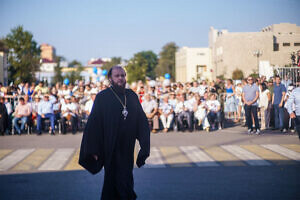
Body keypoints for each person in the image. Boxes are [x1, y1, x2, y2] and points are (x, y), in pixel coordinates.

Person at [79, 66, 150, 200]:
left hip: (127, 147)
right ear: (110, 78)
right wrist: (93, 150)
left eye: (123, 75)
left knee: (126, 177)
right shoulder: (102, 97)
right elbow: (94, 125)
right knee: (114, 178)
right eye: (117, 76)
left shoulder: (131, 96)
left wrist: (144, 145)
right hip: (110, 147)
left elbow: (142, 122)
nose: (120, 78)